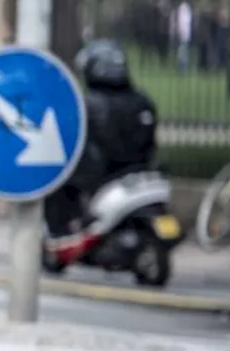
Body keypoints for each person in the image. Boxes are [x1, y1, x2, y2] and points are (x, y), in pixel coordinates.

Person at [44, 38, 158, 245]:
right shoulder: (142, 100)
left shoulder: (91, 104)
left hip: (103, 173)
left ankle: (61, 233)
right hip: (139, 170)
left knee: (60, 184)